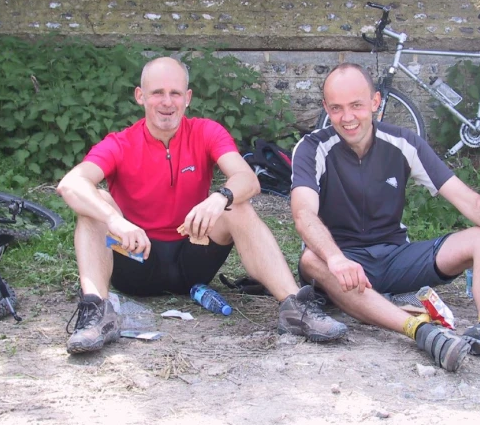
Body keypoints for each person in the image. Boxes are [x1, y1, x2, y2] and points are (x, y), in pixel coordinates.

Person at [57, 56, 347, 354]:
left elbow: (248, 179)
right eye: (157, 93)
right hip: (135, 258)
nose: (167, 102)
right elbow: (71, 184)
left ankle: (295, 308)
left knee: (237, 204)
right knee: (96, 205)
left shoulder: (206, 131)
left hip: (192, 257)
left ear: (188, 98)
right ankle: (95, 314)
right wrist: (115, 220)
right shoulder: (120, 143)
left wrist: (219, 197)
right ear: (140, 96)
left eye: (175, 93)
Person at [290, 63, 480, 372]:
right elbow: (303, 214)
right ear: (326, 108)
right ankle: (420, 331)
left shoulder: (403, 143)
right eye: (337, 108)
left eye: (356, 105)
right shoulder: (313, 148)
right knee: (312, 260)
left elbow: (466, 198)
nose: (347, 117)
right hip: (341, 264)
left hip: (395, 257)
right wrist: (337, 259)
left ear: (376, 103)